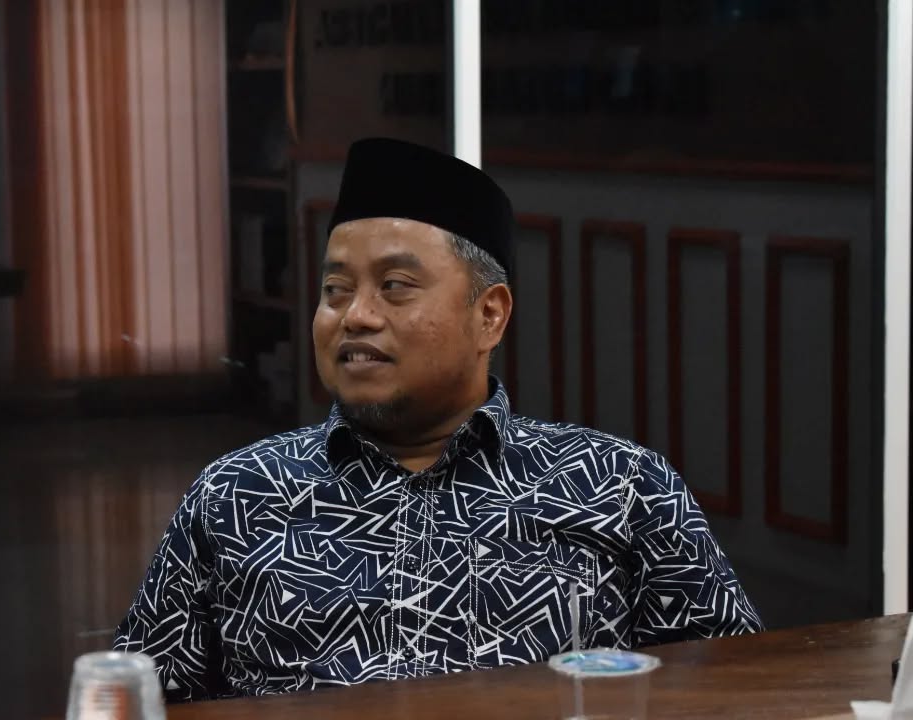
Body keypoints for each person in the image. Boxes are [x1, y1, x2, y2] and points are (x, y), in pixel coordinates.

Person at [113, 137, 762, 702]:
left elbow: (739, 689)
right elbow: (133, 698)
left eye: (395, 286)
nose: (355, 316)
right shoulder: (237, 497)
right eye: (336, 290)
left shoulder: (619, 488)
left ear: (489, 315)